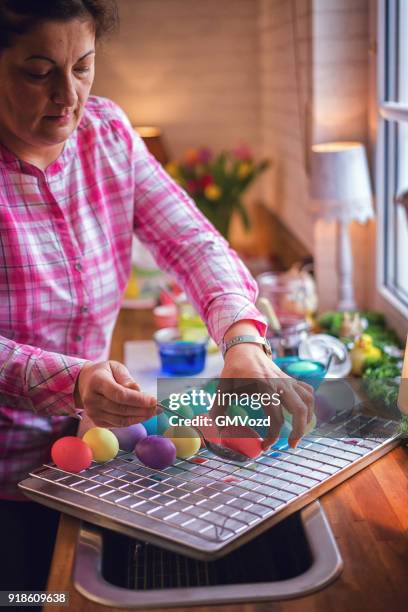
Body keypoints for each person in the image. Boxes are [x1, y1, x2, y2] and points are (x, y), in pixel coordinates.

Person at [0, 0, 314, 593]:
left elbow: (193, 242)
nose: (68, 97)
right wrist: (72, 379)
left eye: (84, 66)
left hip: (85, 457)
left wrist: (242, 341)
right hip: (5, 480)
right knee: (21, 596)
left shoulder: (110, 133)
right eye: (38, 72)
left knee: (66, 594)